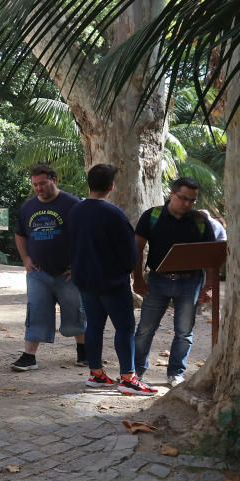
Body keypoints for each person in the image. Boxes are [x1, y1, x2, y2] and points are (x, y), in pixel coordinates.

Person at [67, 164, 157, 397]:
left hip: (85, 280)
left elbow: (69, 245)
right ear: (111, 186)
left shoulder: (75, 211)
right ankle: (128, 377)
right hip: (112, 282)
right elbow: (130, 252)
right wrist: (128, 271)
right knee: (125, 327)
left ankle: (96, 373)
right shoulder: (114, 214)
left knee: (94, 326)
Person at [133, 177, 217, 388]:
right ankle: (136, 371)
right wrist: (138, 278)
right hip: (157, 281)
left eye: (192, 200)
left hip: (190, 282)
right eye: (183, 198)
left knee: (184, 331)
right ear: (172, 194)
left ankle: (176, 373)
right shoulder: (152, 216)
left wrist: (209, 286)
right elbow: (137, 248)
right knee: (145, 328)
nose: (187, 204)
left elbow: (210, 255)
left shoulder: (199, 221)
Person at [11, 164, 86, 372]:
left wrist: (78, 264)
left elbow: (85, 236)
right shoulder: (28, 207)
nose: (38, 188)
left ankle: (83, 350)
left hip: (67, 272)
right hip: (38, 272)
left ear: (54, 180)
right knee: (35, 311)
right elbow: (20, 234)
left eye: (43, 183)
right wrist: (25, 258)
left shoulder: (73, 204)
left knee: (75, 311)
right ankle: (29, 356)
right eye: (35, 184)